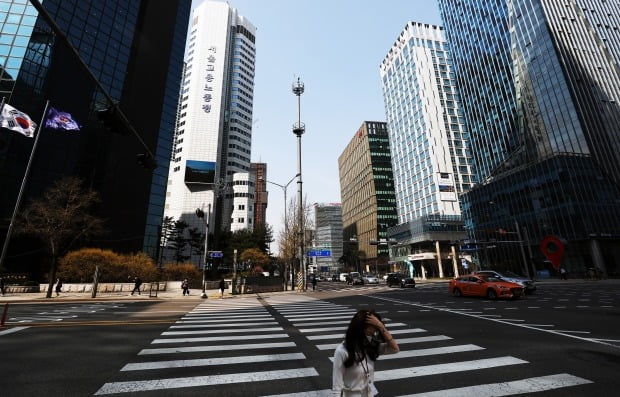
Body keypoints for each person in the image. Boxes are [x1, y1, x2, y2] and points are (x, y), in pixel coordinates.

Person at [332, 309, 399, 396]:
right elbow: (337, 386)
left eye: (375, 331)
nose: (372, 335)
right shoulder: (342, 351)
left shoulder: (371, 347)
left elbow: (395, 349)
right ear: (360, 329)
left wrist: (381, 327)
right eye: (370, 332)